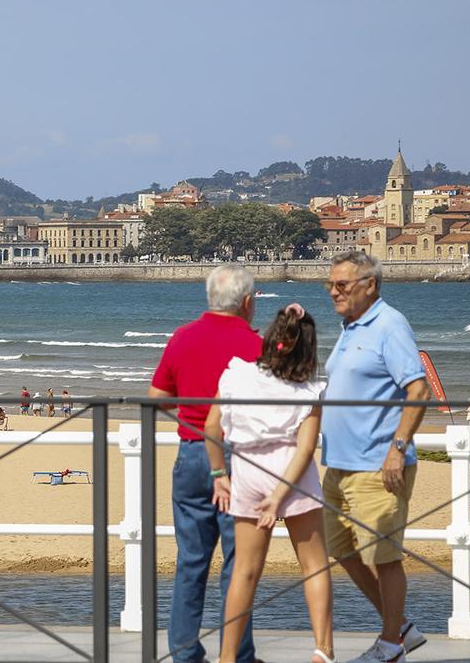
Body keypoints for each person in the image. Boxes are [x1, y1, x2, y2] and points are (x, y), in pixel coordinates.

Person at [205, 304, 332, 663]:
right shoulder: (308, 390)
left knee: (244, 571)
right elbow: (306, 448)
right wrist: (279, 496)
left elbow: (212, 427)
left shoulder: (237, 374)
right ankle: (324, 650)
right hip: (292, 471)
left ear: (270, 338)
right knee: (314, 565)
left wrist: (219, 474)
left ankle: (228, 656)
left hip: (247, 469)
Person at [147, 263, 261, 663]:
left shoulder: (183, 337)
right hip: (241, 459)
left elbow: (158, 396)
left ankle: (183, 652)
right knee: (239, 563)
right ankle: (238, 654)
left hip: (193, 451)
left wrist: (190, 416)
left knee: (191, 561)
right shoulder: (255, 345)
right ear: (247, 303)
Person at [320, 251, 430, 663]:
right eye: (330, 285)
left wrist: (397, 450)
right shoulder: (350, 325)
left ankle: (390, 646)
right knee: (340, 548)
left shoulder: (389, 324)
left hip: (377, 465)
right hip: (339, 464)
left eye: (342, 285)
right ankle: (399, 627)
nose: (333, 292)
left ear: (370, 285)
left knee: (384, 558)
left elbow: (418, 391)